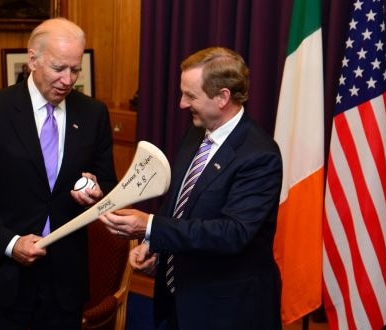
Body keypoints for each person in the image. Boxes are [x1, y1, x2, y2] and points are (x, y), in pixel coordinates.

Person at [99, 47, 284, 329]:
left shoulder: (259, 155)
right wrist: (155, 247)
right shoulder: (196, 132)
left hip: (227, 309)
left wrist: (150, 226)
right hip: (180, 298)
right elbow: (181, 202)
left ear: (222, 97)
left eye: (191, 95)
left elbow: (232, 233)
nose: (182, 104)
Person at [0, 17, 117, 329]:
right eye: (59, 68)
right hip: (2, 284)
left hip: (64, 286)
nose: (68, 80)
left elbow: (107, 182)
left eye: (75, 69)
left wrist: (96, 191)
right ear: (32, 59)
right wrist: (11, 243)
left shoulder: (93, 113)